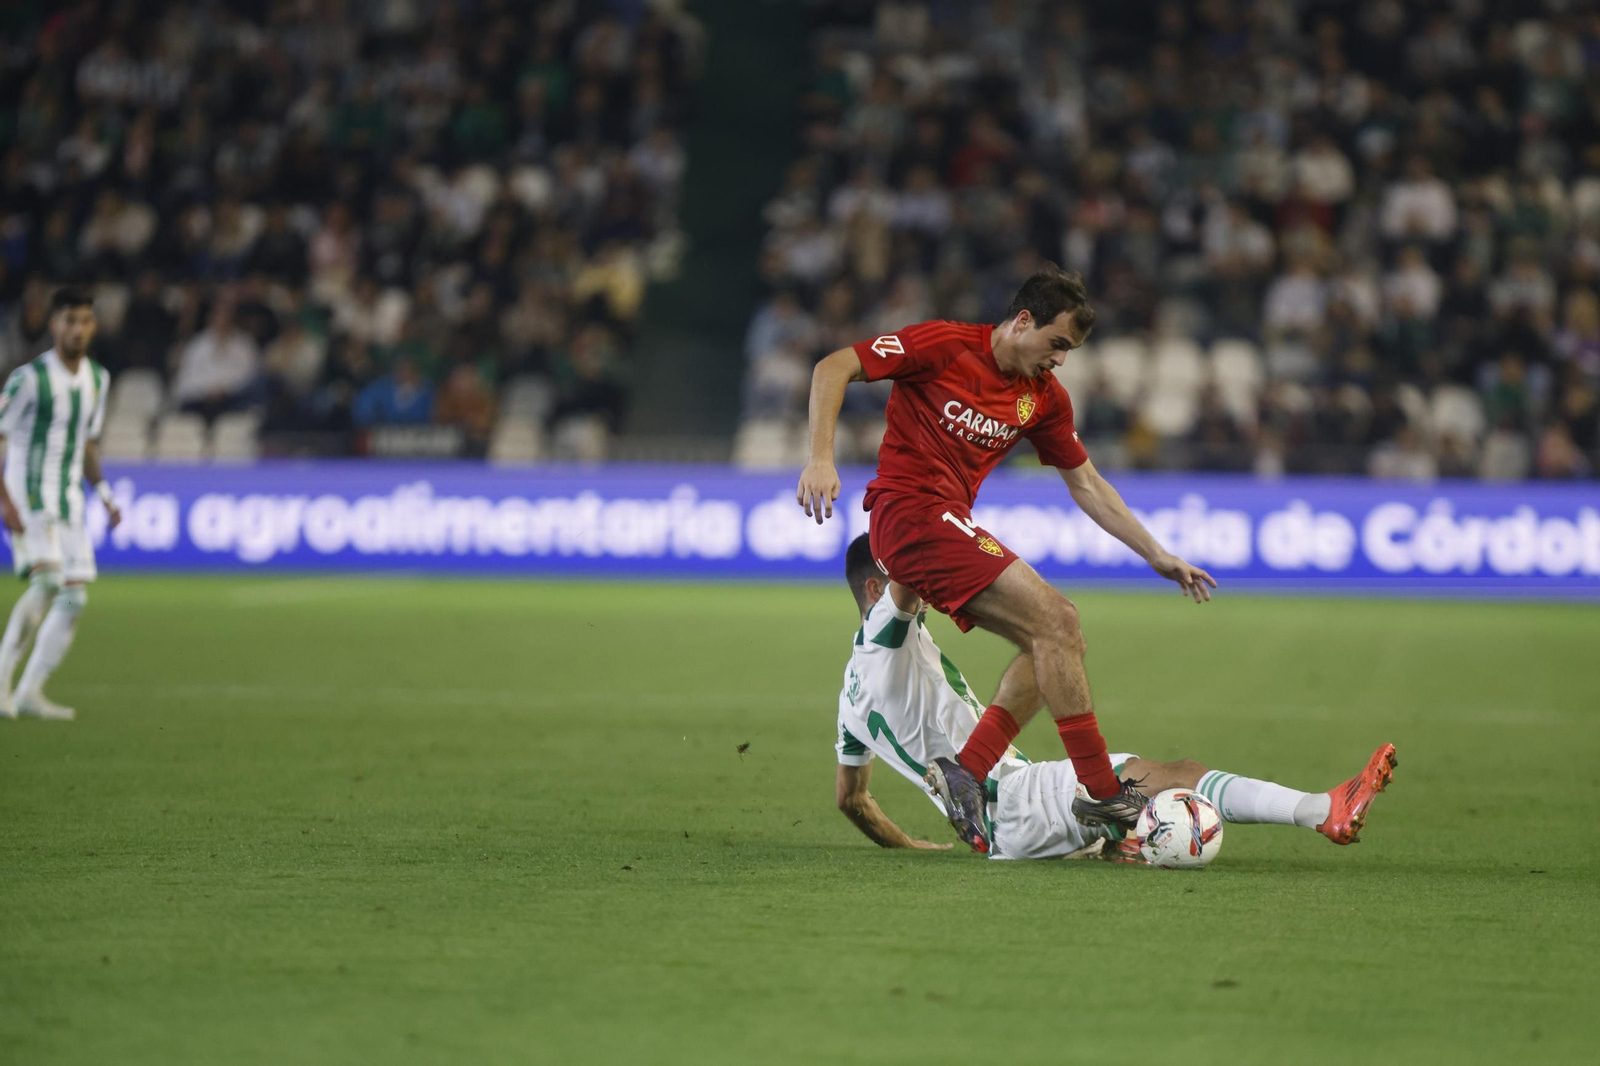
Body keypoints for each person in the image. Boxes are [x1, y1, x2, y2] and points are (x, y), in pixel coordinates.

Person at [798, 264, 1217, 851]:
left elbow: (1088, 484)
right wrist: (821, 457)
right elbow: (833, 365)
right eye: (1058, 344)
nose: (1061, 360)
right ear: (1023, 321)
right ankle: (1100, 791)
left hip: (948, 524)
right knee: (1059, 621)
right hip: (908, 513)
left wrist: (1157, 554)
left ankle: (966, 770)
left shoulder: (1043, 399)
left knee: (1057, 648)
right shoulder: (942, 345)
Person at [834, 536, 1397, 859]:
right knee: (1173, 772)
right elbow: (909, 551)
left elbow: (851, 800)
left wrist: (910, 848)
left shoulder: (850, 698)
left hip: (1006, 818)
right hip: (1013, 800)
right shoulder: (887, 630)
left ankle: (1102, 833)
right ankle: (1324, 810)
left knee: (1044, 648)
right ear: (876, 591)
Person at [0, 288, 122, 720]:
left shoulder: (97, 379)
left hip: (69, 498)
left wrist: (104, 495)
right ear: (54, 324)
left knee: (74, 599)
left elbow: (87, 444)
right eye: (69, 320)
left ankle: (32, 692)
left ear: (93, 326)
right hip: (28, 495)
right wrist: (4, 501)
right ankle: (1, 686)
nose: (77, 329)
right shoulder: (28, 378)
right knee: (48, 583)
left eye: (85, 320)